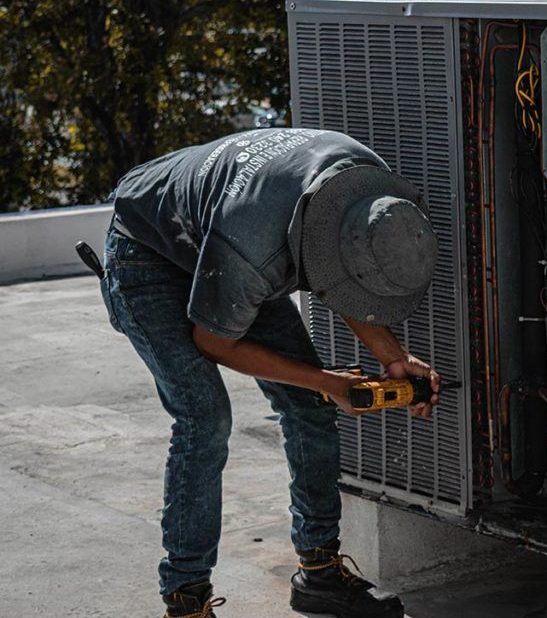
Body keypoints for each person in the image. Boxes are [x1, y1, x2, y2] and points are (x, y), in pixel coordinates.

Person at [99, 127, 440, 618]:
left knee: (309, 410)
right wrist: (328, 382)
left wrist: (393, 357)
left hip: (226, 235)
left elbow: (345, 272)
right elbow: (216, 342)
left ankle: (319, 574)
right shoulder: (253, 247)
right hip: (147, 254)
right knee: (205, 418)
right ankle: (185, 598)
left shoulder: (367, 188)